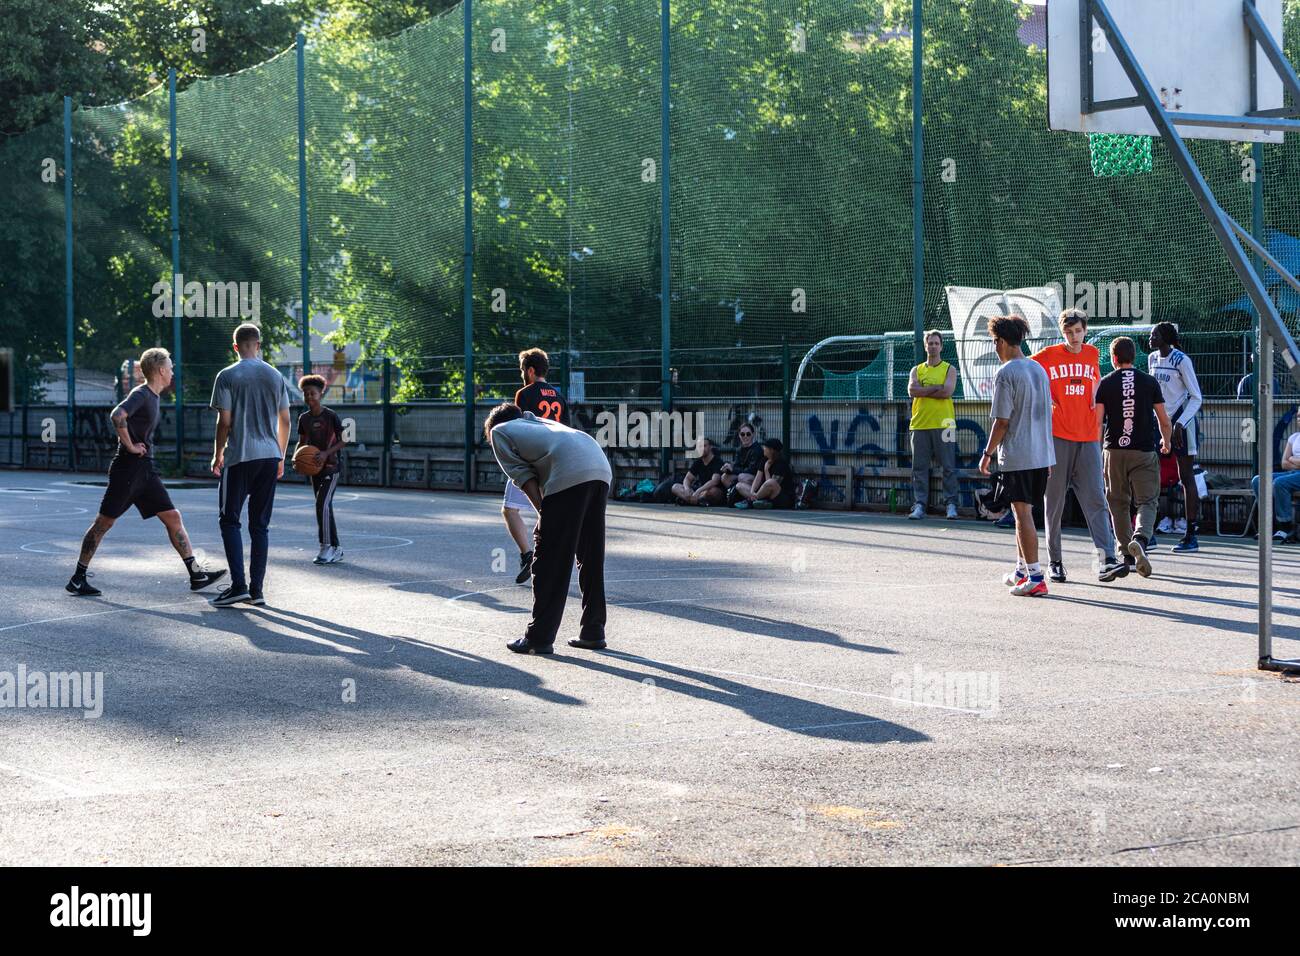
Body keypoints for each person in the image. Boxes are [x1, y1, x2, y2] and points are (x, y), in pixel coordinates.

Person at [65, 348, 226, 597]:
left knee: (172, 516)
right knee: (103, 523)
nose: (173, 371)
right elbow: (117, 414)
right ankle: (78, 577)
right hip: (128, 469)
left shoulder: (153, 395)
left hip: (145, 470)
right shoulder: (141, 394)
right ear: (161, 370)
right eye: (170, 367)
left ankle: (196, 574)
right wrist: (129, 445)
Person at [486, 403, 612, 655]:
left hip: (570, 472)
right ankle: (593, 631)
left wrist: (545, 513)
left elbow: (524, 479)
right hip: (599, 466)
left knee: (548, 558)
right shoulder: (539, 423)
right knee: (590, 554)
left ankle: (539, 637)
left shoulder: (499, 431)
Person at [1031, 309, 1124, 583]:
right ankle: (1055, 562)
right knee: (1054, 503)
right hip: (1057, 438)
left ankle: (1106, 559)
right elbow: (1022, 368)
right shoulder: (1047, 356)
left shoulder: (1093, 354)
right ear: (1063, 333)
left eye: (1078, 331)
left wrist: (1097, 429)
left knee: (1096, 498)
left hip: (1088, 439)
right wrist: (1042, 401)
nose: (1074, 336)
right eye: (1069, 332)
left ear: (1085, 330)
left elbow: (1095, 393)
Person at [208, 323, 291, 607]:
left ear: (236, 346)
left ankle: (238, 585)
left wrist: (218, 453)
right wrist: (280, 454)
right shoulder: (276, 375)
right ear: (258, 344)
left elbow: (225, 421)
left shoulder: (227, 375)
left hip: (240, 456)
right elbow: (286, 421)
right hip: (269, 455)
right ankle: (257, 591)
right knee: (260, 526)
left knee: (230, 519)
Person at [979, 316, 1055, 596]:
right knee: (1020, 511)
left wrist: (987, 454)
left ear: (1000, 341)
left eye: (994, 342)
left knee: (1022, 514)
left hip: (1019, 455)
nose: (995, 348)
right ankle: (1022, 569)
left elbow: (1001, 421)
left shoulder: (1007, 372)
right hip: (1041, 454)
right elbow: (1046, 414)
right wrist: (1047, 455)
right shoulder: (1038, 369)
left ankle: (1036, 577)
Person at [1096, 337, 1173, 578]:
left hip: (1114, 451)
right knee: (1147, 500)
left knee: (1117, 502)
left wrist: (1098, 454)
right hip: (1143, 450)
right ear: (1134, 356)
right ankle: (1140, 538)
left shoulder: (1105, 384)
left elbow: (1098, 423)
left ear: (1114, 358)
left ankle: (1126, 554)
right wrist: (1166, 441)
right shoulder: (1149, 382)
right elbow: (1164, 419)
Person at [505, 348, 571, 584]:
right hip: (556, 459)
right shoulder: (560, 396)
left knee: (510, 509)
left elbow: (520, 428)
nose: (522, 374)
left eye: (523, 370)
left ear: (531, 370)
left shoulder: (524, 394)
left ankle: (529, 556)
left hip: (531, 457)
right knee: (547, 508)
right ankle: (552, 555)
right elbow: (567, 430)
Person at [1148, 322, 1203, 552]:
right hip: (1159, 423)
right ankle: (1147, 532)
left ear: (1166, 337)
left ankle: (1191, 535)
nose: (1151, 338)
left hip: (1182, 424)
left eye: (1155, 334)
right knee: (1149, 475)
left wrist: (1180, 423)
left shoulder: (1181, 360)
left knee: (1186, 477)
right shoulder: (1152, 358)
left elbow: (1196, 397)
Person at [907, 329, 960, 520]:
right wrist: (935, 388)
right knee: (919, 467)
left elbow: (947, 392)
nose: (933, 346)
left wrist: (925, 390)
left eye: (936, 343)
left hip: (946, 424)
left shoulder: (949, 369)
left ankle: (951, 504)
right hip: (920, 424)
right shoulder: (917, 370)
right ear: (925, 345)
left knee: (949, 466)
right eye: (930, 343)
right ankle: (920, 505)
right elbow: (912, 390)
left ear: (941, 346)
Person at [294, 374, 346, 564]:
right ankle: (336, 548)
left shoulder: (330, 416)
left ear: (320, 393)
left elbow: (344, 440)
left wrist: (325, 453)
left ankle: (325, 546)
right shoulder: (304, 418)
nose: (309, 397)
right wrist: (296, 458)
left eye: (312, 393)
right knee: (325, 507)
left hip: (331, 468)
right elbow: (302, 443)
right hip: (314, 469)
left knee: (321, 505)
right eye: (306, 394)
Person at [1252, 428, 1300, 542]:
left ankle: (1285, 526)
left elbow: (1288, 460)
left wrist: (1292, 458)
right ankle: (1268, 526)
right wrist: (1294, 462)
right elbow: (1284, 463)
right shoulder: (1294, 437)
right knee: (1258, 480)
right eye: (1298, 416)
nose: (1299, 419)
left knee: (1280, 483)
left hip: (1293, 475)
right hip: (1291, 473)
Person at [736, 438, 798, 510]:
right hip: (763, 494)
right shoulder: (764, 459)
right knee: (739, 485)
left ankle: (750, 501)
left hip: (781, 497)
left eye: (765, 447)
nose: (763, 448)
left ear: (771, 450)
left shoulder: (781, 463)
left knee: (771, 482)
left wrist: (766, 470)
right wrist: (752, 491)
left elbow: (770, 486)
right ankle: (758, 501)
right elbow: (757, 478)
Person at [721, 422, 765, 506]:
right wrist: (728, 469)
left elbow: (751, 470)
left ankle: (754, 498)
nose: (745, 437)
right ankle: (737, 495)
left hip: (756, 479)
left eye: (748, 434)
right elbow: (737, 466)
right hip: (742, 475)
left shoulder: (757, 449)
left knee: (741, 477)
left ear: (753, 434)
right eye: (742, 434)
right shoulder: (739, 449)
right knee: (724, 477)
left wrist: (733, 469)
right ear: (739, 435)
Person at [672, 436, 724, 505]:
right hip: (699, 492)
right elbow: (687, 478)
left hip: (709, 490)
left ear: (710, 447)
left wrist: (698, 491)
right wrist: (687, 489)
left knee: (714, 491)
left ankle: (689, 500)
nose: (701, 449)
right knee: (675, 487)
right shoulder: (698, 462)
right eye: (699, 447)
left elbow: (714, 481)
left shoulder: (717, 461)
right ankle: (696, 501)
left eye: (704, 446)